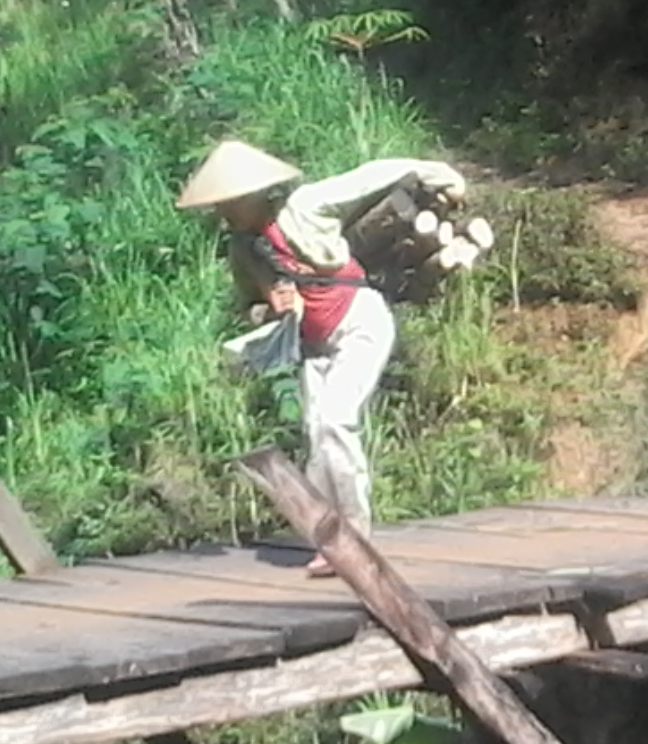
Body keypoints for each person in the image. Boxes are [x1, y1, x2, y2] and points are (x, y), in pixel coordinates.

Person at [176, 140, 468, 576]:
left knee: (335, 420)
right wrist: (269, 306)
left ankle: (355, 535)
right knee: (316, 435)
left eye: (229, 204)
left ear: (252, 196)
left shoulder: (306, 206)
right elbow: (249, 308)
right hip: (312, 344)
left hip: (359, 322)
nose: (224, 214)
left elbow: (370, 176)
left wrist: (440, 175)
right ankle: (328, 540)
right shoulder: (244, 249)